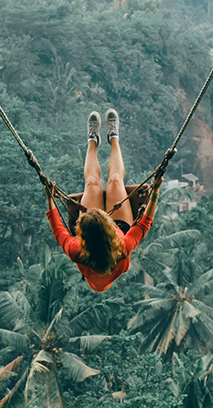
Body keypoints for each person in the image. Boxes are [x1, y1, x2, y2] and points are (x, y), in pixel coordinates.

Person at [45, 108, 159, 292]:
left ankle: (92, 141)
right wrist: (156, 191)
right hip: (119, 227)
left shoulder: (77, 251)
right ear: (109, 225)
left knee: (91, 184)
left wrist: (49, 198)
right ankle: (114, 138)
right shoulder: (123, 247)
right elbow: (145, 223)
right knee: (115, 180)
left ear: (82, 235)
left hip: (98, 234)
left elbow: (57, 229)